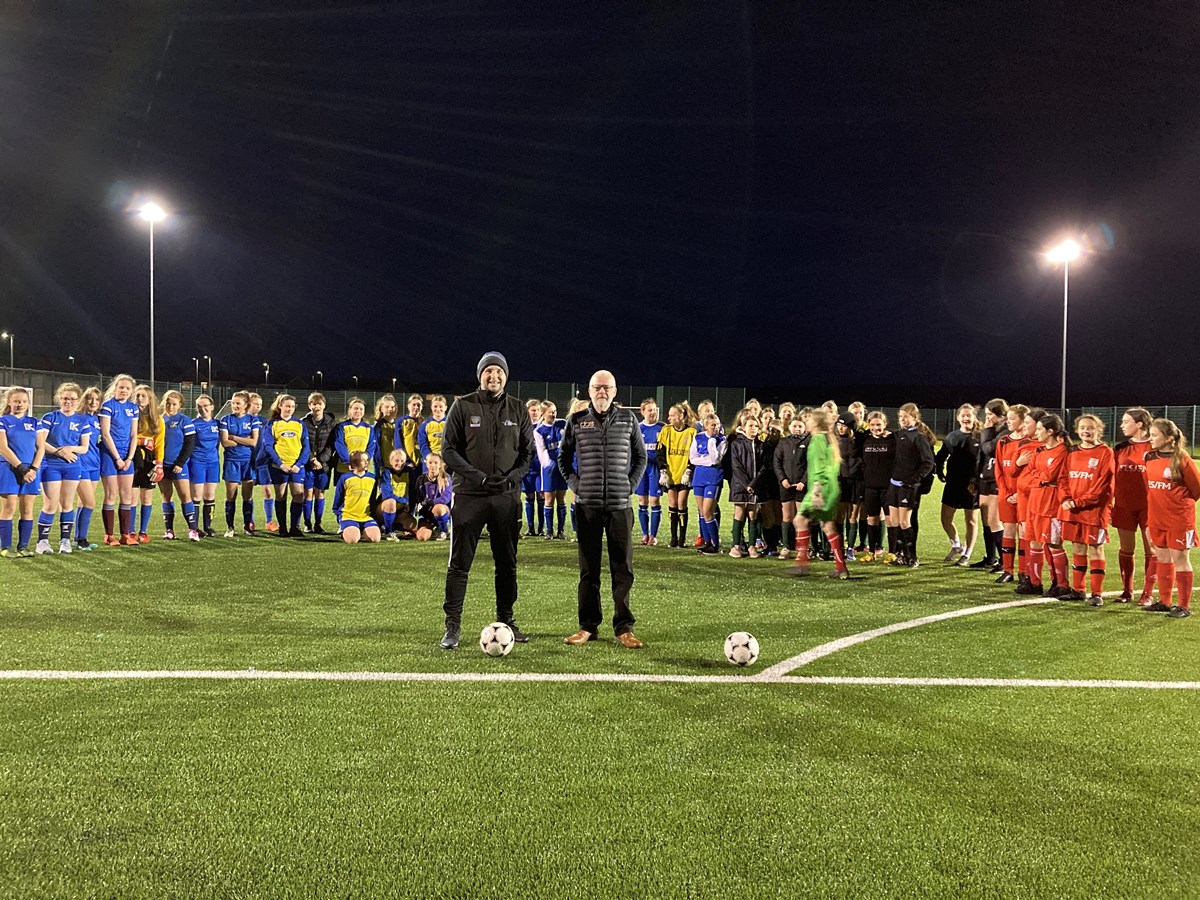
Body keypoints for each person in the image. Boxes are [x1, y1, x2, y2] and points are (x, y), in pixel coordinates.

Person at [439, 352, 534, 650]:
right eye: (488, 372)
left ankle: (507, 620)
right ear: (480, 375)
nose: (493, 377)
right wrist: (478, 477)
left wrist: (510, 479)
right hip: (470, 495)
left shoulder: (518, 409)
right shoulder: (462, 405)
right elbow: (448, 451)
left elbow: (527, 455)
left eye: (499, 372)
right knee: (459, 564)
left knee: (507, 564)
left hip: (505, 497)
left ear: (506, 376)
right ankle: (452, 626)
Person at [558, 370, 648, 648]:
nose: (602, 392)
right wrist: (576, 485)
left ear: (615, 391)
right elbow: (563, 458)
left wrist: (628, 486)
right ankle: (588, 626)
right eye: (597, 387)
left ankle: (624, 628)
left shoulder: (628, 419)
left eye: (607, 388)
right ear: (589, 390)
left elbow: (641, 457)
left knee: (623, 569)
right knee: (589, 570)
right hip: (587, 507)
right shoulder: (576, 421)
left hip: (620, 506)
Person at [1141, 418, 1200, 617]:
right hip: (1157, 518)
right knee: (1163, 559)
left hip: (1179, 520)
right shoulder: (1149, 457)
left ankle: (1184, 606)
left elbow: (1196, 488)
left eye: (1155, 435)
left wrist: (1179, 506)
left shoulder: (1182, 458)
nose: (1150, 438)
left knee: (1181, 559)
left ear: (1168, 438)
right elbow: (1149, 489)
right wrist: (1150, 521)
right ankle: (1165, 602)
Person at [1058, 414, 1114, 606]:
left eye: (1090, 428)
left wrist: (1078, 502)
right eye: (1082, 428)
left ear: (1099, 430)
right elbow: (1063, 479)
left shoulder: (1105, 453)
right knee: (1077, 547)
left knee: (1096, 549)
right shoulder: (1072, 452)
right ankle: (1078, 590)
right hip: (1073, 510)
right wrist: (1065, 498)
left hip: (1094, 511)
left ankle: (1097, 593)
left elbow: (1103, 485)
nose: (1086, 431)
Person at [1016, 413, 1071, 597]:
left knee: (1054, 543)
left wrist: (1038, 478)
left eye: (1040, 429)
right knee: (1034, 542)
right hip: (1035, 502)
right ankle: (1034, 583)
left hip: (1051, 504)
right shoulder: (1040, 451)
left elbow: (1050, 476)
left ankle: (1062, 585)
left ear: (1050, 431)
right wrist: (1039, 479)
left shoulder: (1063, 451)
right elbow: (1025, 477)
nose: (1036, 432)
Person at [36, 382, 91, 554]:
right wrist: (60, 452)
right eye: (65, 398)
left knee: (67, 504)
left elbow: (84, 447)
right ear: (60, 398)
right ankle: (42, 542)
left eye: (72, 399)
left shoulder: (83, 420)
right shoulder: (49, 417)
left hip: (72, 466)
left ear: (78, 400)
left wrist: (70, 449)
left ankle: (65, 541)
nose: (68, 402)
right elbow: (40, 443)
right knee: (50, 504)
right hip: (50, 465)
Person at [791, 408, 846, 577]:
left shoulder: (817, 441)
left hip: (820, 487)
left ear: (815, 423)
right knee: (827, 525)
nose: (806, 422)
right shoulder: (830, 439)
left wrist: (816, 490)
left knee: (799, 520)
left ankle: (802, 563)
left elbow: (819, 468)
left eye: (808, 419)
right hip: (831, 487)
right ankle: (841, 568)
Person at [1113, 407, 1156, 603]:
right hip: (1124, 505)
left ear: (1139, 424)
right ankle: (1127, 591)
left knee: (1152, 549)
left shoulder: (1155, 448)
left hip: (1150, 507)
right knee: (1126, 548)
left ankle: (1147, 593)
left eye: (1126, 421)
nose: (1122, 425)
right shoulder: (1120, 448)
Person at [886, 403, 936, 568]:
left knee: (905, 522)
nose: (902, 420)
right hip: (894, 485)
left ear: (915, 418)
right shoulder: (898, 435)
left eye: (905, 417)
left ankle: (912, 556)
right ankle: (900, 555)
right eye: (900, 417)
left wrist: (914, 480)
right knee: (894, 522)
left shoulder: (919, 437)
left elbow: (928, 463)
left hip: (908, 487)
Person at [0, 386, 47, 557]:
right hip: (9, 468)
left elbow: (41, 447)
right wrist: (22, 469)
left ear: (28, 403)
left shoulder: (35, 422)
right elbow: (2, 447)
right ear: (9, 402)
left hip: (31, 471)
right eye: (16, 401)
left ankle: (23, 547)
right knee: (9, 507)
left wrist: (33, 469)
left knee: (27, 509)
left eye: (23, 401)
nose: (20, 404)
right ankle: (6, 548)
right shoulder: (3, 421)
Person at [935, 403, 982, 565]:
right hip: (953, 483)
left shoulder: (980, 436)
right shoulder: (952, 436)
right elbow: (941, 455)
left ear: (974, 417)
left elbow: (982, 462)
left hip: (971, 485)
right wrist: (940, 471)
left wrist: (975, 480)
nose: (966, 418)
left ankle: (967, 554)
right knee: (945, 518)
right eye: (963, 415)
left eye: (969, 415)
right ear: (958, 418)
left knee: (971, 520)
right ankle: (956, 545)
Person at [98, 374, 140, 546]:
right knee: (111, 494)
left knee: (127, 495)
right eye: (121, 387)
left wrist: (129, 458)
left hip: (126, 456)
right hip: (109, 453)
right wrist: (117, 457)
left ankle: (125, 535)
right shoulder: (108, 406)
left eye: (127, 388)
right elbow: (105, 434)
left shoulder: (133, 408)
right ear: (115, 388)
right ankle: (109, 535)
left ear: (131, 391)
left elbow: (133, 434)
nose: (124, 390)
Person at [261, 393, 310, 537]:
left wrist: (299, 464)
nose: (290, 409)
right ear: (280, 406)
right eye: (287, 406)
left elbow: (306, 447)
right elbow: (268, 446)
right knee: (281, 495)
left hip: (296, 467)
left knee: (298, 495)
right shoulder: (272, 424)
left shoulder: (300, 424)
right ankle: (283, 527)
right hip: (279, 467)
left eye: (292, 406)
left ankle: (295, 527)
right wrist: (280, 463)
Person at [992, 404, 1031, 584]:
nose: (1008, 421)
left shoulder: (1031, 443)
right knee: (1008, 530)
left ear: (1023, 421)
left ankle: (1024, 571)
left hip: (1025, 497)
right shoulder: (1003, 441)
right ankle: (1008, 570)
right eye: (1008, 418)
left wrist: (1020, 494)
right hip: (1006, 495)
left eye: (1012, 418)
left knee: (1024, 533)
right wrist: (1006, 493)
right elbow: (999, 470)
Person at [159, 390, 200, 541]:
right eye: (168, 403)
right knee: (166, 497)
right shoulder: (159, 420)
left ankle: (193, 530)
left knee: (185, 496)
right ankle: (169, 530)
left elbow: (189, 444)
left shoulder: (184, 420)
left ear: (180, 405)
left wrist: (180, 463)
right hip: (162, 465)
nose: (170, 406)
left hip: (178, 466)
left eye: (174, 404)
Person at [974, 398, 1008, 571]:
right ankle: (991, 558)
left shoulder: (1005, 431)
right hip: (985, 477)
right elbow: (982, 454)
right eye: (986, 415)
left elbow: (990, 449)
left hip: (997, 479)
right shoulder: (993, 430)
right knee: (987, 518)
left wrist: (986, 430)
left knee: (995, 520)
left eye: (990, 415)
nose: (987, 419)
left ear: (1001, 415)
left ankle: (1005, 562)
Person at [727, 410, 768, 558]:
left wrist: (754, 484)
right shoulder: (736, 444)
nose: (753, 428)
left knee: (753, 513)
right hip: (740, 486)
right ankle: (736, 546)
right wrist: (747, 485)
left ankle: (752, 547)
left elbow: (764, 467)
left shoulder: (761, 445)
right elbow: (736, 466)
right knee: (739, 512)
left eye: (756, 426)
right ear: (743, 427)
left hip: (755, 486)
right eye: (750, 425)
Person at [219, 391, 259, 537]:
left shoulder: (252, 420)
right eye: (233, 403)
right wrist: (244, 439)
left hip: (248, 461)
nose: (234, 406)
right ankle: (230, 528)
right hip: (231, 461)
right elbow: (224, 442)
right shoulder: (225, 419)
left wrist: (234, 437)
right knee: (231, 495)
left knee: (247, 496)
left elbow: (253, 442)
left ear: (246, 405)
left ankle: (247, 527)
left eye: (238, 403)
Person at [859, 411, 896, 561]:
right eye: (872, 425)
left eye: (879, 424)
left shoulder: (892, 439)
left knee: (890, 520)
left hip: (888, 487)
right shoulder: (864, 440)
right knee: (872, 519)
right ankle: (872, 552)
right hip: (870, 487)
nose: (876, 428)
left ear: (885, 424)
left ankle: (892, 552)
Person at [657, 403, 694, 548]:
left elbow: (694, 453)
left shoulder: (691, 432)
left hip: (683, 473)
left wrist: (689, 470)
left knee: (681, 503)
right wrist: (663, 470)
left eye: (672, 415)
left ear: (681, 416)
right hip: (671, 473)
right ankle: (673, 538)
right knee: (672, 504)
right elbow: (660, 452)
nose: (669, 418)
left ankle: (682, 539)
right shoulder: (666, 431)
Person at [689, 413, 727, 555]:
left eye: (717, 424)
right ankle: (706, 542)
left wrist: (711, 441)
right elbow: (693, 458)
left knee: (707, 511)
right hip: (699, 477)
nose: (716, 427)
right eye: (712, 425)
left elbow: (716, 459)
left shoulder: (721, 439)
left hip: (714, 477)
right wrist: (706, 461)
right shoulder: (698, 437)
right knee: (702, 512)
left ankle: (715, 544)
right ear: (705, 426)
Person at [131, 384, 165, 543]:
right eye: (137, 395)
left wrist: (159, 464)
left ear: (150, 399)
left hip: (149, 461)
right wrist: (142, 440)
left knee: (146, 498)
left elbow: (159, 444)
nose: (140, 398)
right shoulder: (130, 414)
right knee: (131, 498)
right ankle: (130, 532)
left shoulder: (158, 419)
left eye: (143, 395)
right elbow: (125, 436)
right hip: (132, 458)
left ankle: (142, 532)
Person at [773, 414, 809, 560]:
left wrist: (804, 482)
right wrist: (782, 479)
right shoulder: (783, 442)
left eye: (800, 426)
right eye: (794, 426)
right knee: (787, 516)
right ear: (789, 427)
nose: (797, 428)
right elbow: (777, 462)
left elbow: (811, 464)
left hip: (801, 486)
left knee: (801, 517)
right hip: (786, 486)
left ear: (804, 427)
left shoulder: (809, 442)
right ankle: (786, 547)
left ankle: (803, 549)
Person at [300, 392, 336, 533]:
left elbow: (331, 445)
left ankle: (318, 524)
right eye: (314, 404)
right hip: (308, 465)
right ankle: (307, 523)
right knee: (308, 493)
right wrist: (312, 459)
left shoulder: (331, 423)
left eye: (319, 404)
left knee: (320, 493)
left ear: (324, 405)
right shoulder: (303, 423)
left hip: (324, 465)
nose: (317, 407)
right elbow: (302, 443)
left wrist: (321, 460)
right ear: (309, 405)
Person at [74, 386, 103, 550]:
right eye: (90, 398)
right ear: (84, 400)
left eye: (97, 399)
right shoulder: (78, 419)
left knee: (83, 502)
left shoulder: (98, 419)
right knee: (90, 502)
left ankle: (78, 538)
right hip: (81, 464)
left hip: (94, 464)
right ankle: (81, 539)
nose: (93, 402)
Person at [188, 394, 222, 537]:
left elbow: (219, 443)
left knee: (210, 495)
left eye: (206, 406)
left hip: (213, 462)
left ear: (212, 406)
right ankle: (194, 528)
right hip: (197, 461)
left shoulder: (217, 424)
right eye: (199, 406)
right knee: (196, 495)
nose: (203, 409)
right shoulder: (193, 424)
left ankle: (208, 527)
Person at [332, 450, 380, 544]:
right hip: (348, 516)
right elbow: (338, 499)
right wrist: (339, 515)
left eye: (367, 460)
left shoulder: (372, 478)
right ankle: (345, 531)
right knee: (352, 540)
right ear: (355, 462)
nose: (367, 462)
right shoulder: (345, 478)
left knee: (375, 539)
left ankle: (361, 530)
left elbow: (373, 499)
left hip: (366, 517)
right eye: (364, 460)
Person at [635, 398, 665, 546]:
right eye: (650, 410)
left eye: (655, 410)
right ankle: (644, 534)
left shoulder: (663, 428)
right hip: (642, 469)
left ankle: (653, 535)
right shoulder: (638, 428)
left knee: (654, 500)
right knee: (642, 501)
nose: (653, 413)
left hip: (655, 469)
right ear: (643, 412)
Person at [247, 393, 275, 533]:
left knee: (268, 491)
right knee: (249, 492)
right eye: (255, 403)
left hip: (263, 461)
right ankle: (250, 522)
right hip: (248, 462)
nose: (258, 406)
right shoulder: (244, 421)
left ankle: (269, 521)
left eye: (260, 404)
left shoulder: (264, 422)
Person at [413, 452, 453, 540]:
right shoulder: (420, 479)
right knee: (422, 537)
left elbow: (445, 499)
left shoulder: (446, 478)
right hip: (427, 513)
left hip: (442, 510)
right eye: (430, 463)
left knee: (438, 508)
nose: (433, 465)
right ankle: (434, 529)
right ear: (426, 463)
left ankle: (444, 530)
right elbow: (417, 498)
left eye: (436, 463)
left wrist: (430, 502)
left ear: (440, 465)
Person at [377, 449, 412, 540]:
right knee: (391, 502)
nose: (399, 463)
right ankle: (388, 531)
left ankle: (388, 525)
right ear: (391, 461)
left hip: (399, 509)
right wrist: (404, 501)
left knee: (412, 524)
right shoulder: (386, 472)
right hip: (385, 507)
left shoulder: (409, 472)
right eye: (396, 461)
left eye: (402, 461)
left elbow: (413, 491)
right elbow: (387, 495)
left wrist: (410, 507)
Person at [521, 398, 543, 537]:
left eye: (538, 410)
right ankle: (530, 528)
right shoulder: (523, 427)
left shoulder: (543, 427)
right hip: (528, 468)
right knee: (529, 496)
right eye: (533, 410)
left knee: (541, 496)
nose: (535, 413)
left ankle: (541, 528)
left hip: (540, 468)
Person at [417, 394, 448, 473]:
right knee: (428, 484)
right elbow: (422, 443)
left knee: (446, 484)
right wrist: (430, 458)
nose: (438, 409)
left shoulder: (450, 423)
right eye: (435, 406)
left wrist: (446, 458)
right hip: (430, 462)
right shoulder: (425, 424)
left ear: (446, 407)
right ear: (431, 407)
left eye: (441, 406)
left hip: (445, 462)